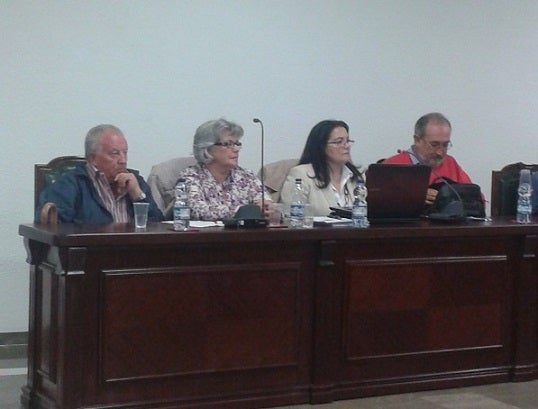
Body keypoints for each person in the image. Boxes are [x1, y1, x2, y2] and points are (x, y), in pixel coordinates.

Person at [35, 124, 163, 224]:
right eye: (115, 153)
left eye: (125, 153)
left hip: (133, 249)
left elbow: (157, 227)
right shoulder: (70, 184)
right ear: (92, 158)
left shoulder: (136, 182)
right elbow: (52, 229)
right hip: (90, 249)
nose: (123, 160)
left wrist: (138, 196)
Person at [170, 118, 266, 221]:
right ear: (207, 148)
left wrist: (269, 208)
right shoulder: (190, 177)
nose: (236, 149)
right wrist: (243, 211)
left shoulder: (246, 176)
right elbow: (198, 211)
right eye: (227, 144)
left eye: (237, 144)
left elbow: (264, 200)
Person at [383, 112, 473, 205]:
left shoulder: (450, 163)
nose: (440, 152)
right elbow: (379, 202)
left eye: (445, 145)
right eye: (434, 145)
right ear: (417, 140)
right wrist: (414, 195)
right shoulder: (392, 165)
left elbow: (475, 199)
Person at [280, 119, 363, 216]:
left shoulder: (357, 177)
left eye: (347, 141)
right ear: (321, 146)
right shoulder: (301, 175)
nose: (347, 146)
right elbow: (289, 216)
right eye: (339, 142)